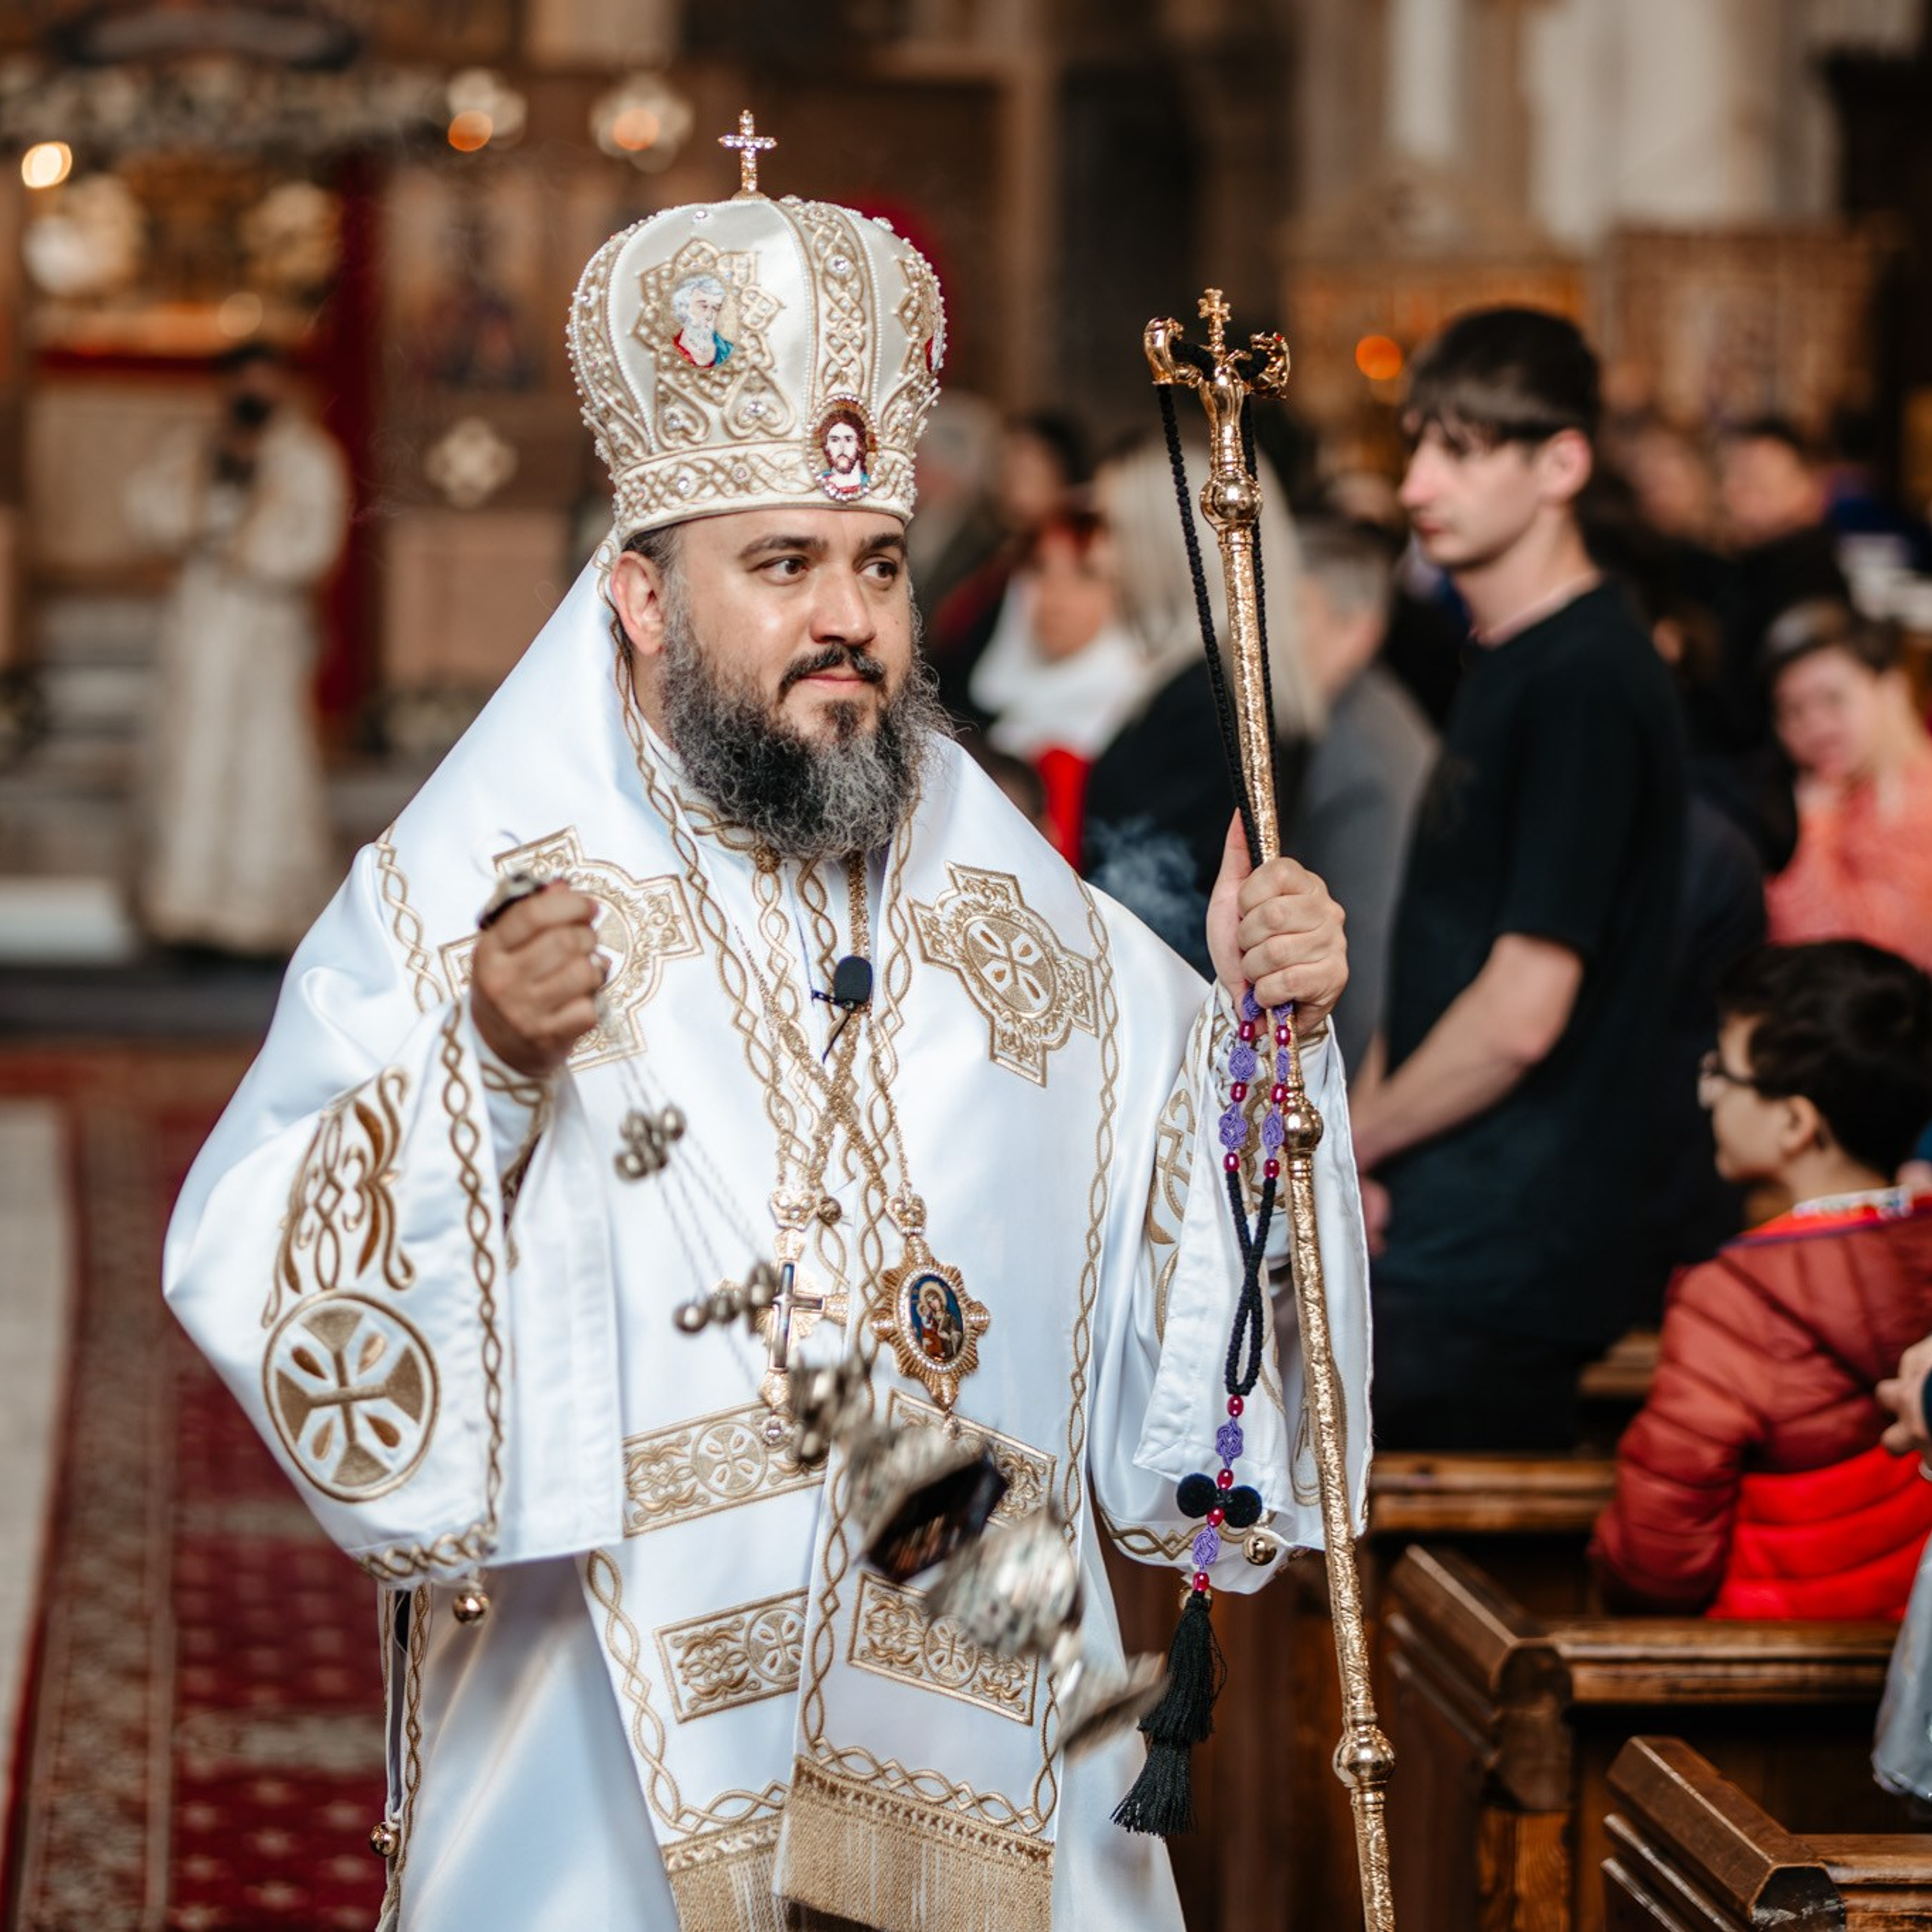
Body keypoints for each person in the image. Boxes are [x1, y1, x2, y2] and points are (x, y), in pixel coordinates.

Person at [162, 137, 1369, 1932]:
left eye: (877, 566)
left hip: (984, 1665)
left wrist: (1267, 1035)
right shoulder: (476, 888)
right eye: (782, 561)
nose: (845, 619)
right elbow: (255, 1247)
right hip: (616, 1710)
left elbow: (1184, 1207)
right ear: (641, 597)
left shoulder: (996, 886)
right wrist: (483, 1067)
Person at [1350, 306, 1687, 1451]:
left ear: (1561, 462)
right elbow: (1444, 946)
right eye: (1416, 446)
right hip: (1454, 1211)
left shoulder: (1588, 677)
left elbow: (1522, 1012)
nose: (1417, 484)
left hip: (1512, 1245)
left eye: (1459, 448)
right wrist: (1367, 1149)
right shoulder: (1508, 658)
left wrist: (1356, 1146)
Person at [1589, 940, 1932, 1617]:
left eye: (1725, 1071)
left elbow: (1659, 1555)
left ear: (1795, 1123)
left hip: (1769, 1672)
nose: (1709, 1093)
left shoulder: (1734, 1299)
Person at [125, 341, 348, 955]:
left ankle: (261, 916)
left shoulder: (308, 459)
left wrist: (252, 543)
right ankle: (184, 907)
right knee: (191, 755)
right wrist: (202, 493)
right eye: (243, 382)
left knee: (264, 761)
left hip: (266, 625)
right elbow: (148, 513)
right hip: (199, 619)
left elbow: (317, 542)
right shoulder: (193, 449)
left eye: (266, 382)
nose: (255, 394)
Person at [1081, 438, 1313, 978]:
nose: (1096, 556)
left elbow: (1158, 902)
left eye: (1114, 531)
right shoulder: (1223, 684)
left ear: (1167, 542)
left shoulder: (1209, 702)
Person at [1290, 519, 1436, 1072]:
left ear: (1359, 631)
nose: (1258, 633)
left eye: (1293, 611)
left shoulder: (1362, 759)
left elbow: (1365, 966)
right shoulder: (1347, 720)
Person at [964, 508, 1143, 859]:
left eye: (1086, 575)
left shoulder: (1137, 724)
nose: (1055, 596)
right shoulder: (1000, 716)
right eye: (1041, 570)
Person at [1763, 604, 1932, 974]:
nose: (1815, 724)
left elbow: (1844, 959)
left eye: (1832, 699)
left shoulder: (1915, 802)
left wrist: (1814, 823)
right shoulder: (1844, 790)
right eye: (1794, 711)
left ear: (1892, 688)